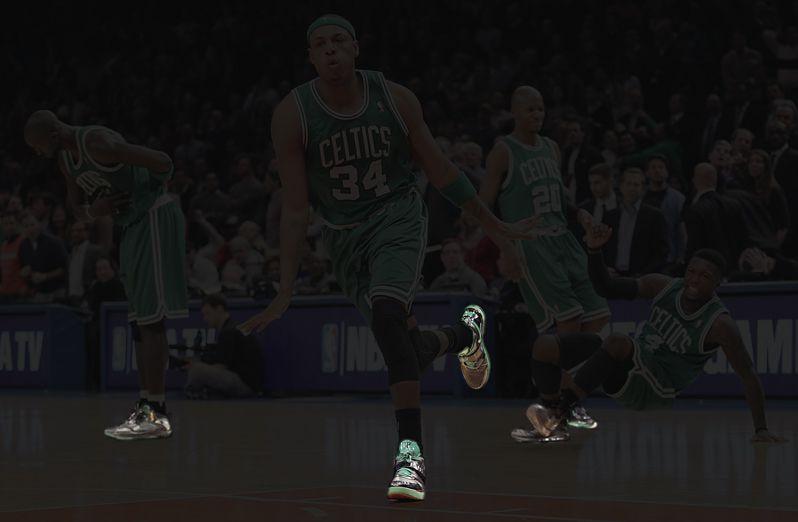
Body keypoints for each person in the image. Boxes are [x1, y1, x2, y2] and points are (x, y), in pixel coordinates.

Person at [239, 14, 538, 502]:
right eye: (320, 44)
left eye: (339, 40)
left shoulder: (395, 99)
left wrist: (494, 225)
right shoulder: (292, 115)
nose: (331, 49)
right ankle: (465, 336)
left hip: (397, 217)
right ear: (310, 57)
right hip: (343, 239)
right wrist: (285, 289)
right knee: (404, 345)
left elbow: (441, 171)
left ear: (356, 48)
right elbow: (295, 209)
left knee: (386, 315)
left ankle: (410, 458)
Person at [521, 219, 787, 445]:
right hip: (632, 366)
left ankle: (558, 415)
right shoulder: (665, 286)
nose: (694, 279)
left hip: (656, 388)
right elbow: (606, 287)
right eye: (692, 272)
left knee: (616, 342)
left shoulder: (719, 324)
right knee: (545, 346)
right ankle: (553, 421)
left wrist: (761, 428)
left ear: (718, 283)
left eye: (704, 276)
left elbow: (748, 375)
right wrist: (594, 250)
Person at [24, 110, 188, 440]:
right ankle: (147, 406)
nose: (38, 153)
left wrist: (145, 192)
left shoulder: (98, 143)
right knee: (139, 323)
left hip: (153, 216)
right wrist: (95, 211)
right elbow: (77, 209)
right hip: (131, 226)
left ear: (54, 135)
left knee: (151, 321)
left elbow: (163, 162)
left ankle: (157, 412)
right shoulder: (67, 161)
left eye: (38, 146)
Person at [182, 294, 262, 399]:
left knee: (196, 369)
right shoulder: (232, 328)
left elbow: (221, 367)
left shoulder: (228, 332)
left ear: (219, 309)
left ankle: (192, 392)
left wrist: (195, 365)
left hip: (245, 385)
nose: (205, 319)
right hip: (246, 382)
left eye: (208, 313)